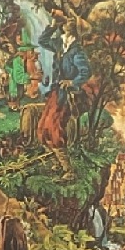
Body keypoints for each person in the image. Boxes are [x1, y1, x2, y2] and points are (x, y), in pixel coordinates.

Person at [36, 16, 91, 176]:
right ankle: (56, 162)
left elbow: (86, 72)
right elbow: (42, 41)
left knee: (54, 127)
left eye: (71, 21)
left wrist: (72, 82)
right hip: (55, 92)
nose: (67, 22)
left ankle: (68, 169)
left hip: (66, 95)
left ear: (75, 29)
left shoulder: (77, 51)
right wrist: (53, 25)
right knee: (42, 127)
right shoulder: (60, 43)